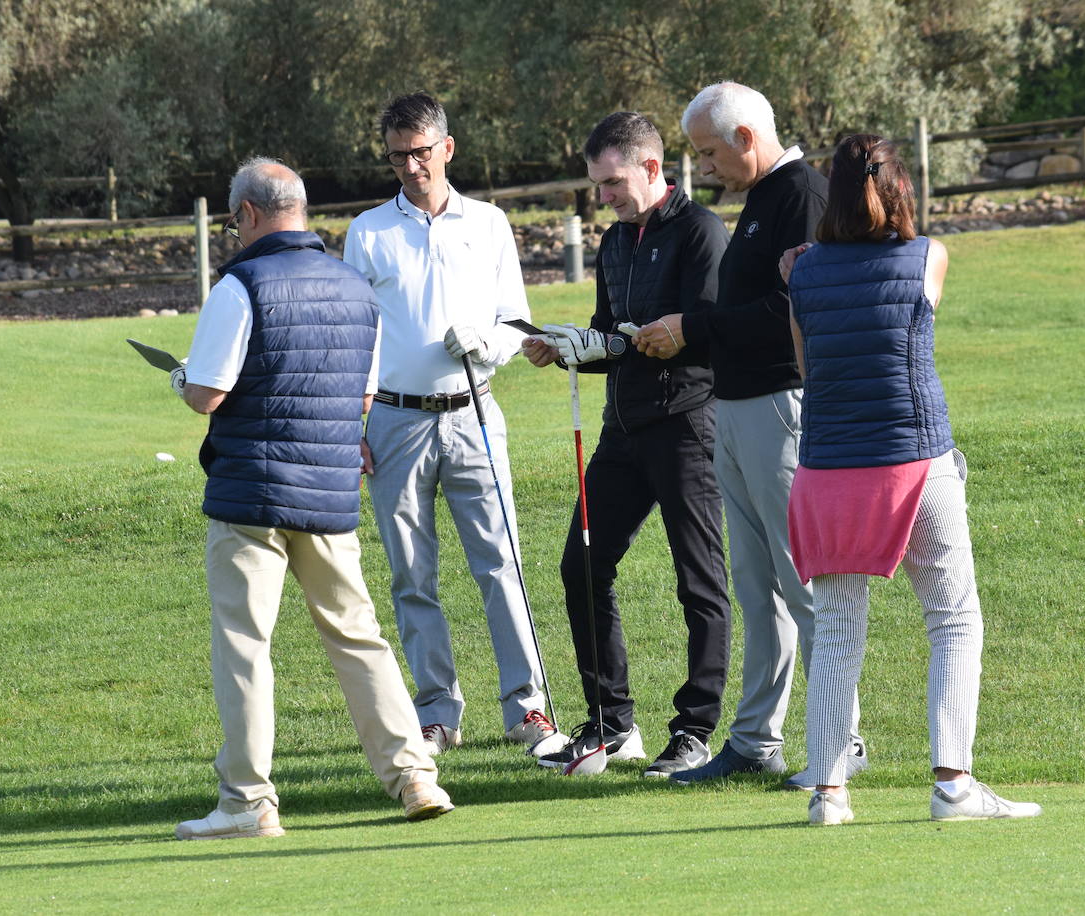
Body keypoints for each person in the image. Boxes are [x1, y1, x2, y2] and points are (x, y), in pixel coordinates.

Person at [169, 158, 452, 839]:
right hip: (328, 491)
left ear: (247, 215)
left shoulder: (241, 284)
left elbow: (208, 393)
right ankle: (414, 774)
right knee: (359, 636)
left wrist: (180, 378)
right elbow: (361, 395)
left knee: (245, 645)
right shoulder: (357, 288)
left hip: (251, 496)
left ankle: (247, 801)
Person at [781, 134, 1043, 826]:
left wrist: (798, 272)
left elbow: (809, 372)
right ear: (900, 189)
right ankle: (953, 786)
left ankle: (829, 795)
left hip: (829, 473)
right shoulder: (930, 256)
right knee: (954, 620)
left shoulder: (800, 274)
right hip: (916, 463)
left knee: (837, 634)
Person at [660, 82, 866, 787]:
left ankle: (843, 740)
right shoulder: (762, 199)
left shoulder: (800, 193)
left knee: (803, 579)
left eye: (709, 152)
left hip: (781, 407)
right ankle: (755, 740)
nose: (705, 167)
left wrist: (693, 328)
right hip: (738, 405)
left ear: (746, 137)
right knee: (756, 585)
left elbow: (790, 307)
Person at [343, 92, 560, 758]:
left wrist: (487, 343)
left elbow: (514, 322)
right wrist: (351, 422)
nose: (411, 166)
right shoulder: (369, 231)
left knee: (503, 563)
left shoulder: (489, 224)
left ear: (448, 148)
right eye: (398, 155)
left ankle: (529, 709)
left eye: (421, 151)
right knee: (412, 576)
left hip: (474, 413)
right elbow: (356, 337)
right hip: (395, 422)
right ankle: (436, 711)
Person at [521, 112, 732, 777]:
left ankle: (694, 730)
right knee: (580, 566)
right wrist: (565, 350)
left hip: (688, 426)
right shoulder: (614, 243)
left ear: (649, 167)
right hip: (624, 431)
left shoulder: (701, 231)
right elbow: (608, 336)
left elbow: (711, 327)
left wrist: (676, 332)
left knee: (698, 580)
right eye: (596, 184)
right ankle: (613, 723)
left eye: (611, 181)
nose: (603, 196)